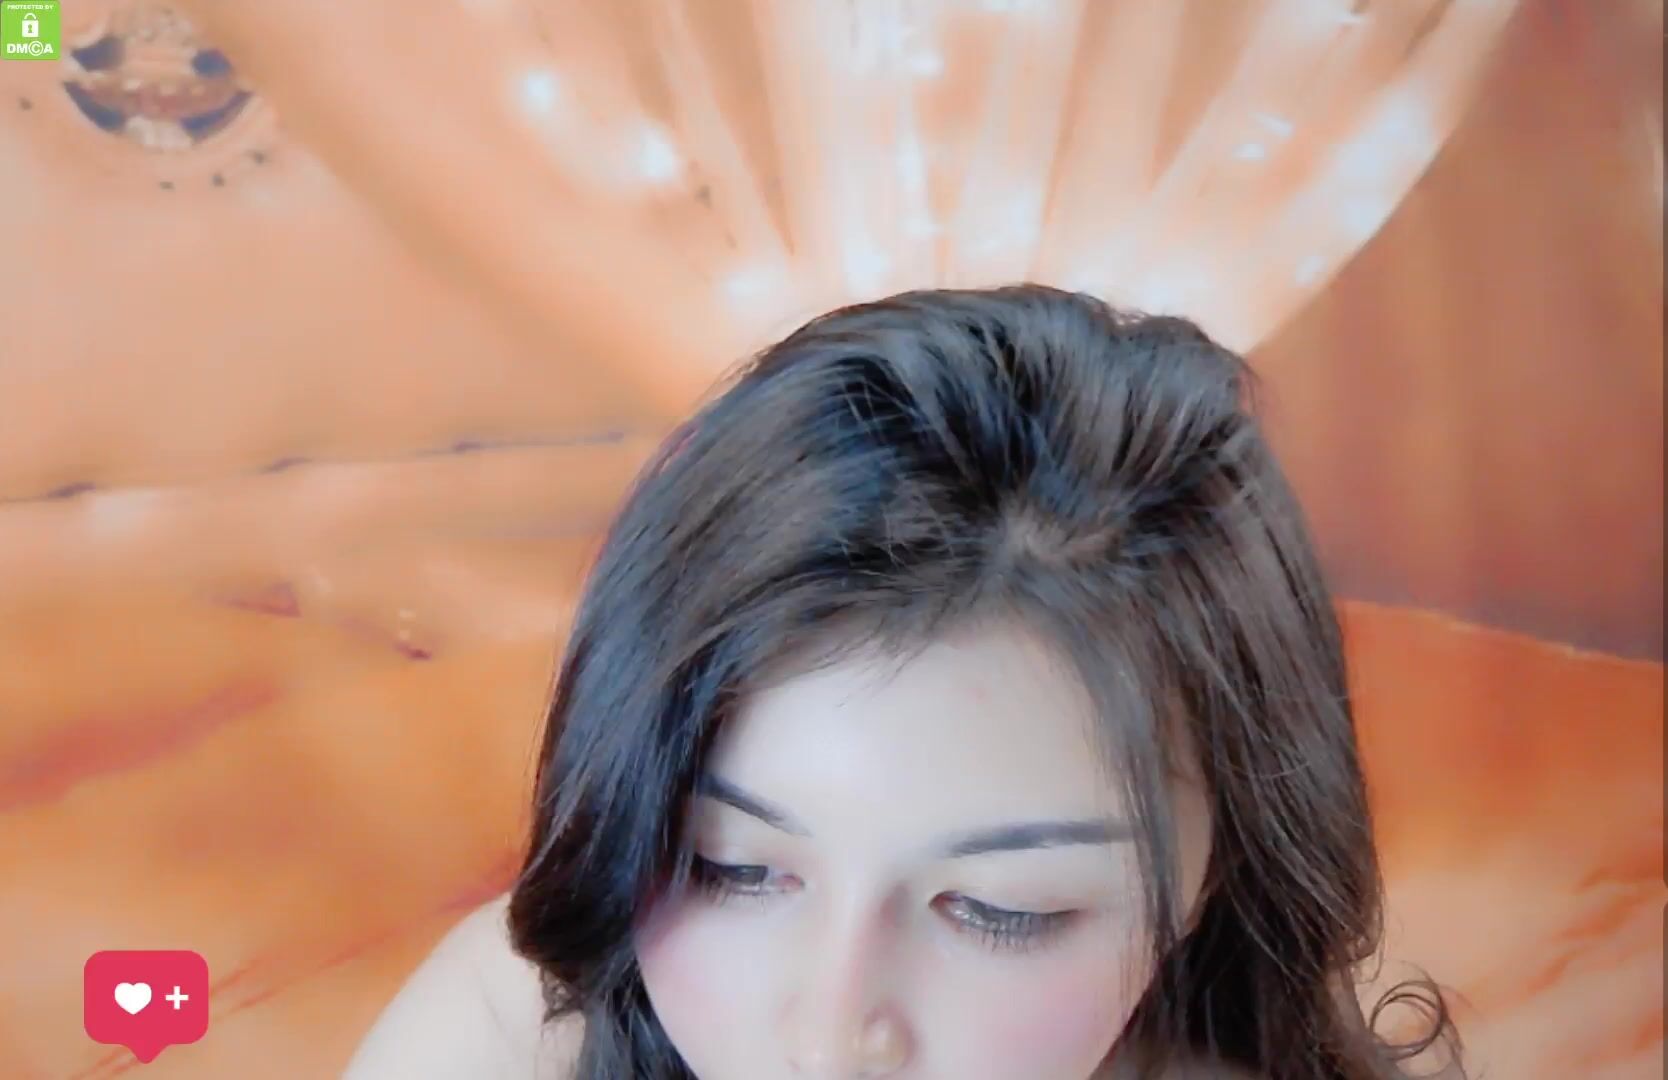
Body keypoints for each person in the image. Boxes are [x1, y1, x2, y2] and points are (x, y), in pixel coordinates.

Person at [344, 286, 1458, 1079]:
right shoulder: (520, 1032)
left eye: (1001, 912)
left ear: (1219, 872)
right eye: (727, 867)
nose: (832, 1037)